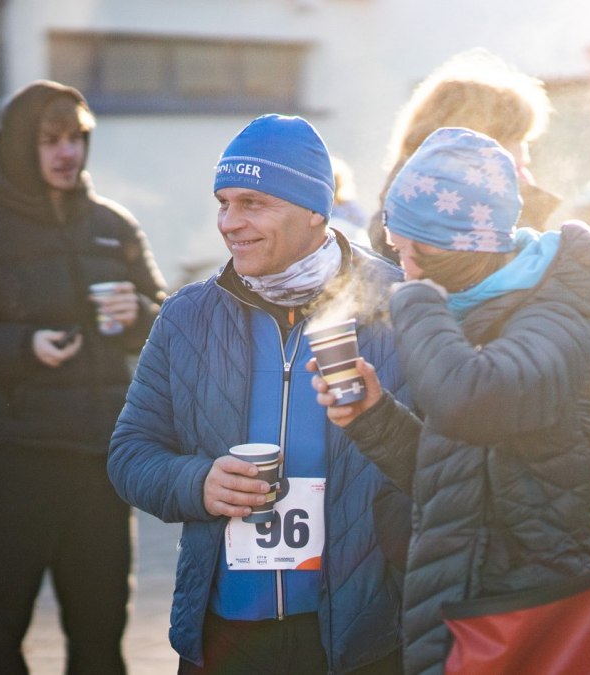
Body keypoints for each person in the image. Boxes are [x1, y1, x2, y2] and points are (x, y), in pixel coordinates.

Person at [309, 127, 590, 674]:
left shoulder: (556, 314)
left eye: (409, 251)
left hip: (529, 620)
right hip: (468, 608)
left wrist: (417, 301)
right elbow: (455, 483)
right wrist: (374, 418)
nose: (404, 267)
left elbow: (472, 402)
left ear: (455, 245)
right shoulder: (479, 307)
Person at [106, 113, 411, 674]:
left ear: (314, 210)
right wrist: (197, 481)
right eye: (224, 202)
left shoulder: (400, 304)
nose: (229, 222)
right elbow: (129, 453)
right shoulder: (187, 316)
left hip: (363, 636)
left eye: (253, 203)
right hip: (226, 637)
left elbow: (445, 462)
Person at [0, 80, 167, 674]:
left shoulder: (114, 223)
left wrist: (140, 312)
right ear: (16, 146)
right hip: (13, 459)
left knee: (101, 635)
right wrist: (21, 345)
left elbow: (166, 324)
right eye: (51, 140)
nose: (67, 154)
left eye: (77, 140)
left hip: (101, 460)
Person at [368, 48, 560, 261]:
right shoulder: (450, 225)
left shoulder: (402, 213)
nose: (525, 156)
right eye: (517, 138)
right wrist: (524, 207)